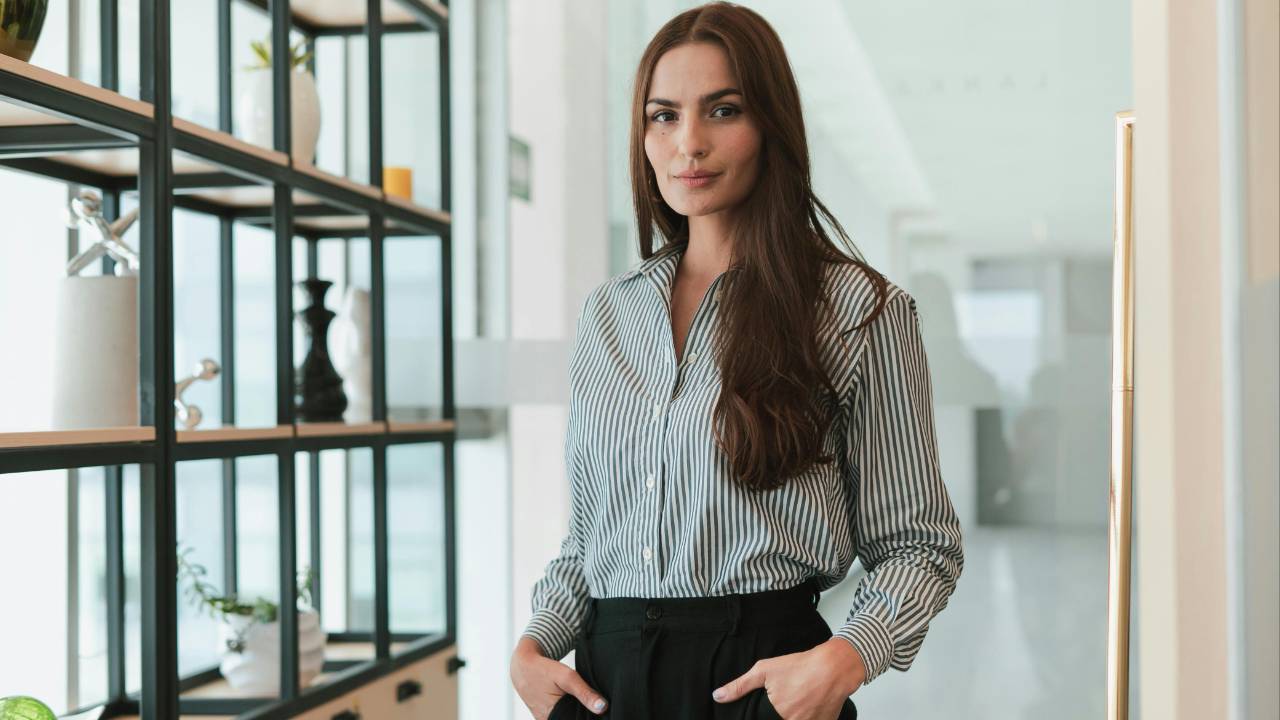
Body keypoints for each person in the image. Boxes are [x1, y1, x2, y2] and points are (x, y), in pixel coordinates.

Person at [508, 3, 964, 718]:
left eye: (722, 110)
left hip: (760, 684)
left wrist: (843, 661)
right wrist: (534, 647)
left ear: (770, 127)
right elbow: (590, 536)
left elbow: (919, 544)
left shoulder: (858, 310)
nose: (688, 142)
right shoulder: (608, 315)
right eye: (663, 116)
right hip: (609, 684)